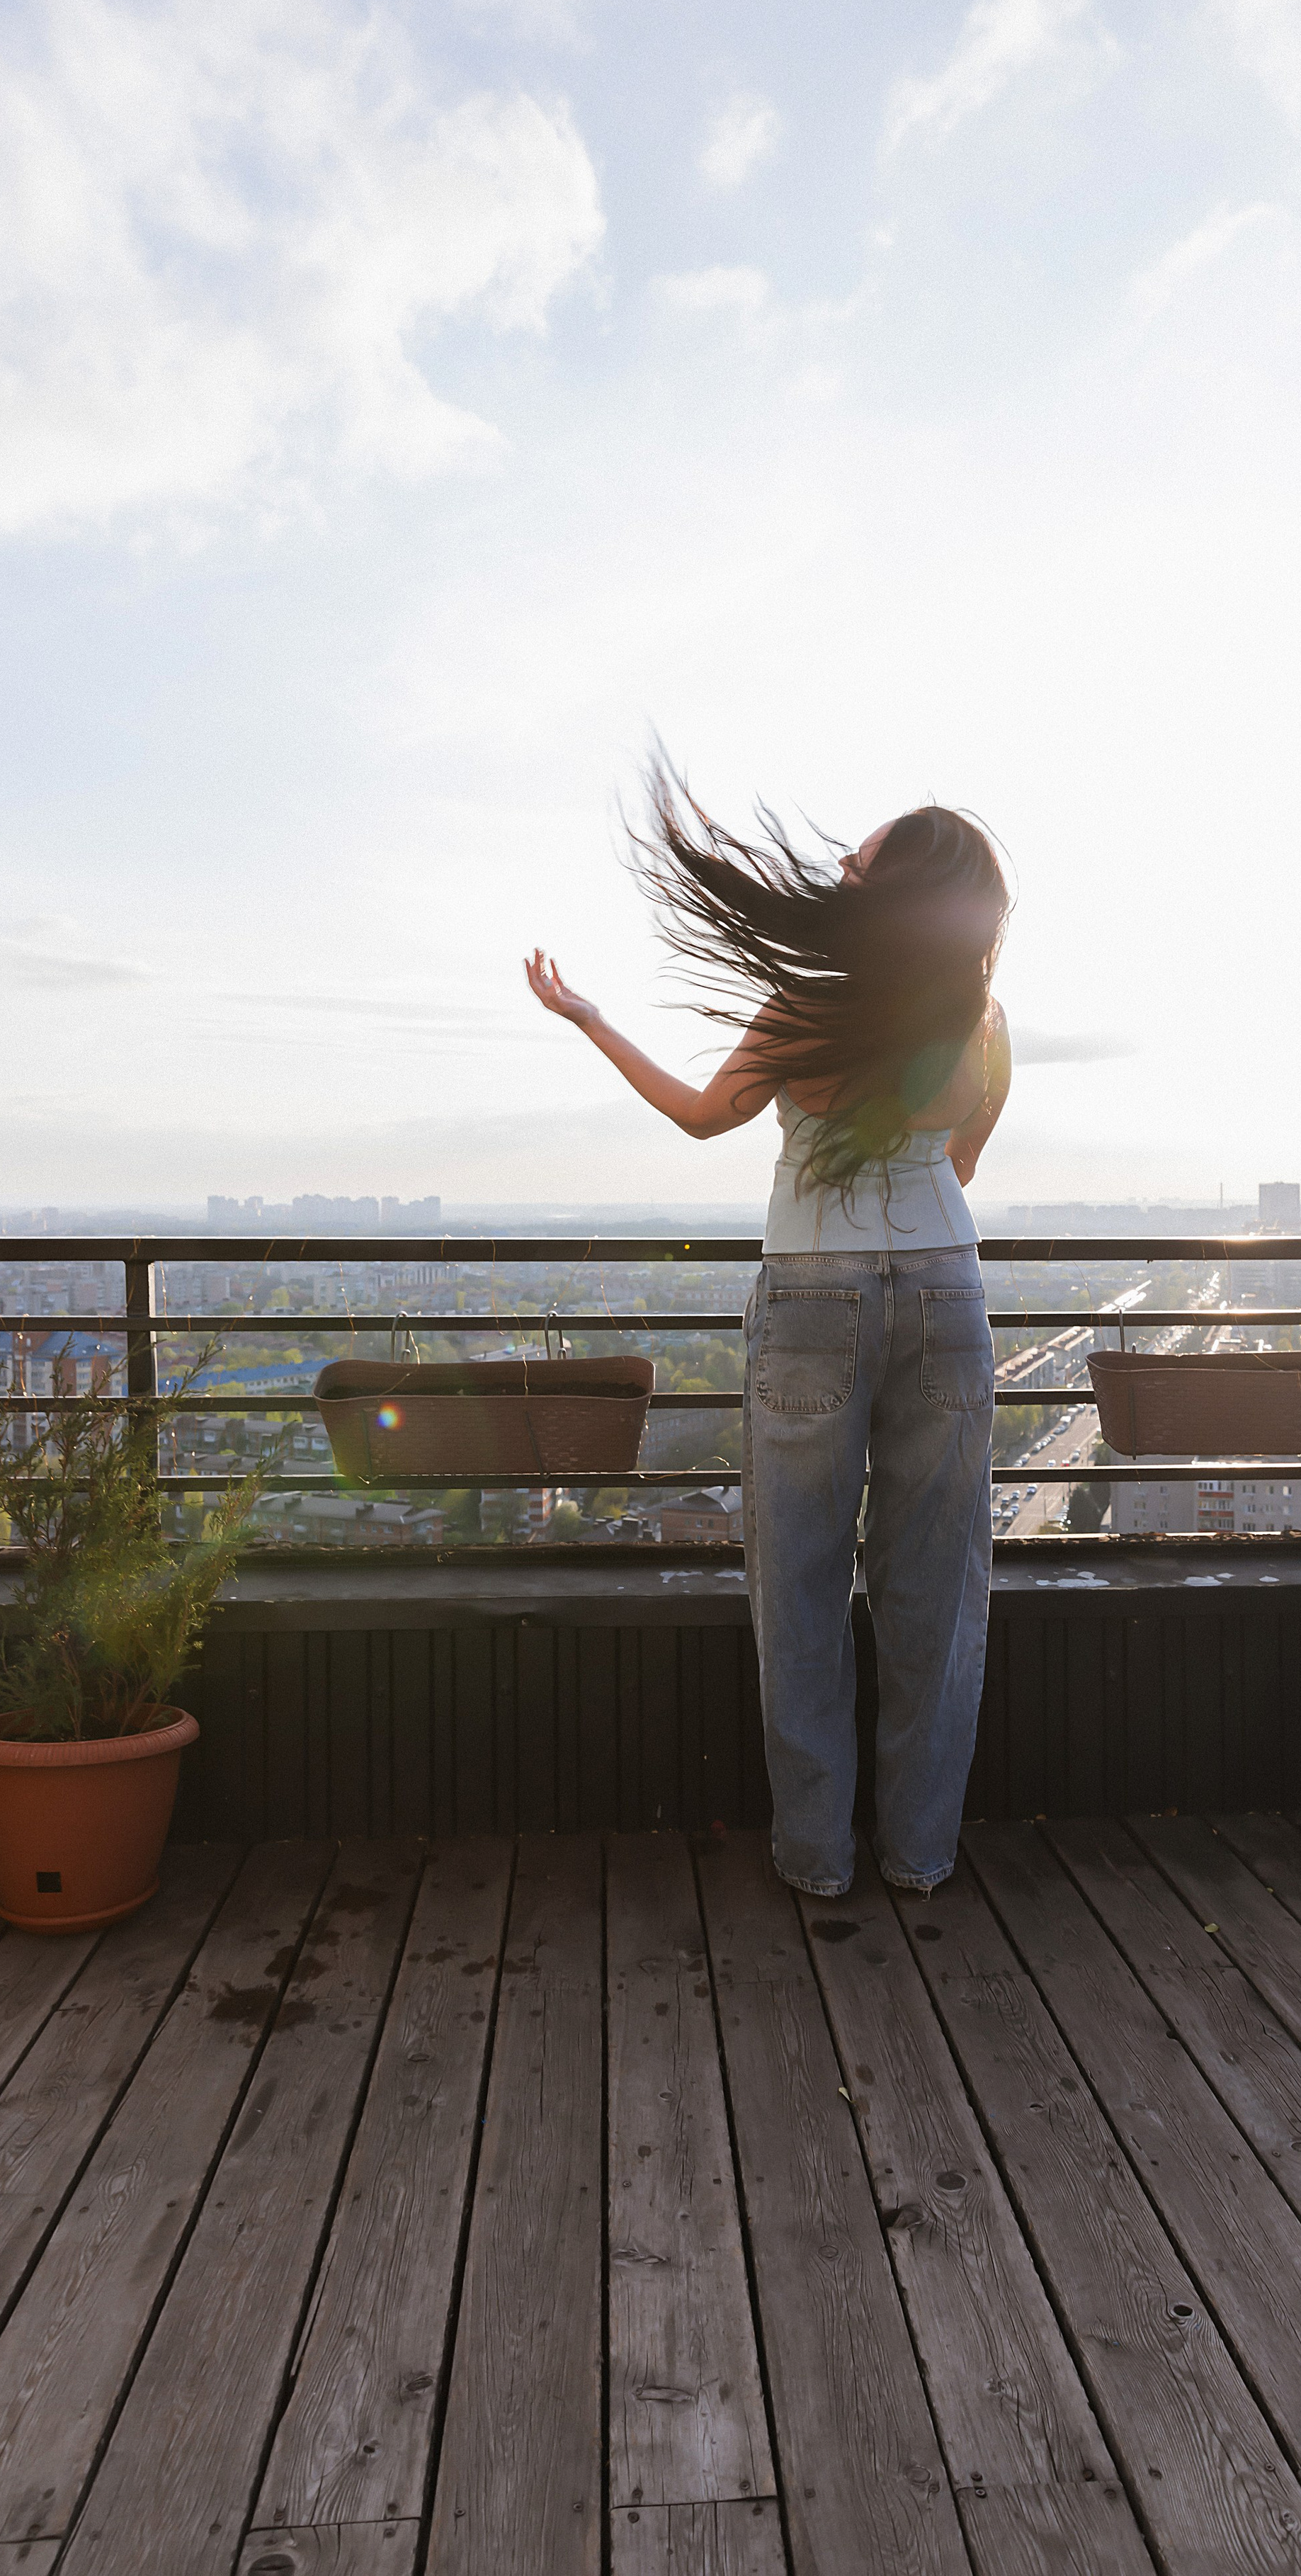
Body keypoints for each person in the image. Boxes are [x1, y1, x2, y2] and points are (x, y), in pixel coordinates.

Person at [525, 765, 1011, 1897]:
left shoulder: (805, 1007)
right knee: (938, 1585)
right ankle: (920, 1852)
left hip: (811, 1292)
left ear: (897, 889)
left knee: (796, 1577)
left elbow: (703, 1116)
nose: (840, 862)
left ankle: (817, 1855)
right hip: (946, 1290)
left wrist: (593, 1021)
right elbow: (960, 1164)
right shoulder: (983, 1021)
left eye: (862, 855)